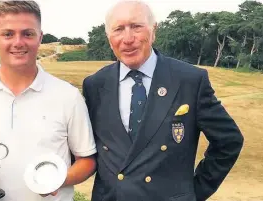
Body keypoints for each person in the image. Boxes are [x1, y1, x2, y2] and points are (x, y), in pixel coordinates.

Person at [82, 1, 244, 201]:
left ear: (153, 30)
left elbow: (229, 141)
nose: (128, 38)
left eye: (136, 26)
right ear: (109, 38)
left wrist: (194, 192)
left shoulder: (189, 80)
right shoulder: (94, 85)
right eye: (118, 29)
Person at [0, 1, 97, 201]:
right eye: (8, 34)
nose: (18, 42)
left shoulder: (68, 96)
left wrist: (59, 179)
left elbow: (87, 160)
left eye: (27, 33)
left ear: (40, 37)